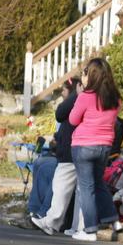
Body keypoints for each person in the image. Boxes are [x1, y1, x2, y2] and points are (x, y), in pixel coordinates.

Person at [68, 58, 122, 242]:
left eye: (84, 73)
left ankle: (90, 230)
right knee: (98, 184)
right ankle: (113, 219)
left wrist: (80, 94)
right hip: (105, 146)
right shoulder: (115, 99)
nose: (82, 77)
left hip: (84, 145)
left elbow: (73, 120)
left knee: (87, 188)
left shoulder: (86, 96)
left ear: (91, 76)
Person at [32, 76, 80, 236]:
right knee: (40, 163)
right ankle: (35, 210)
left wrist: (57, 142)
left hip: (71, 152)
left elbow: (62, 116)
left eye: (64, 90)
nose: (62, 94)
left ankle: (46, 215)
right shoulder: (75, 102)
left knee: (52, 173)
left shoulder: (76, 102)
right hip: (63, 149)